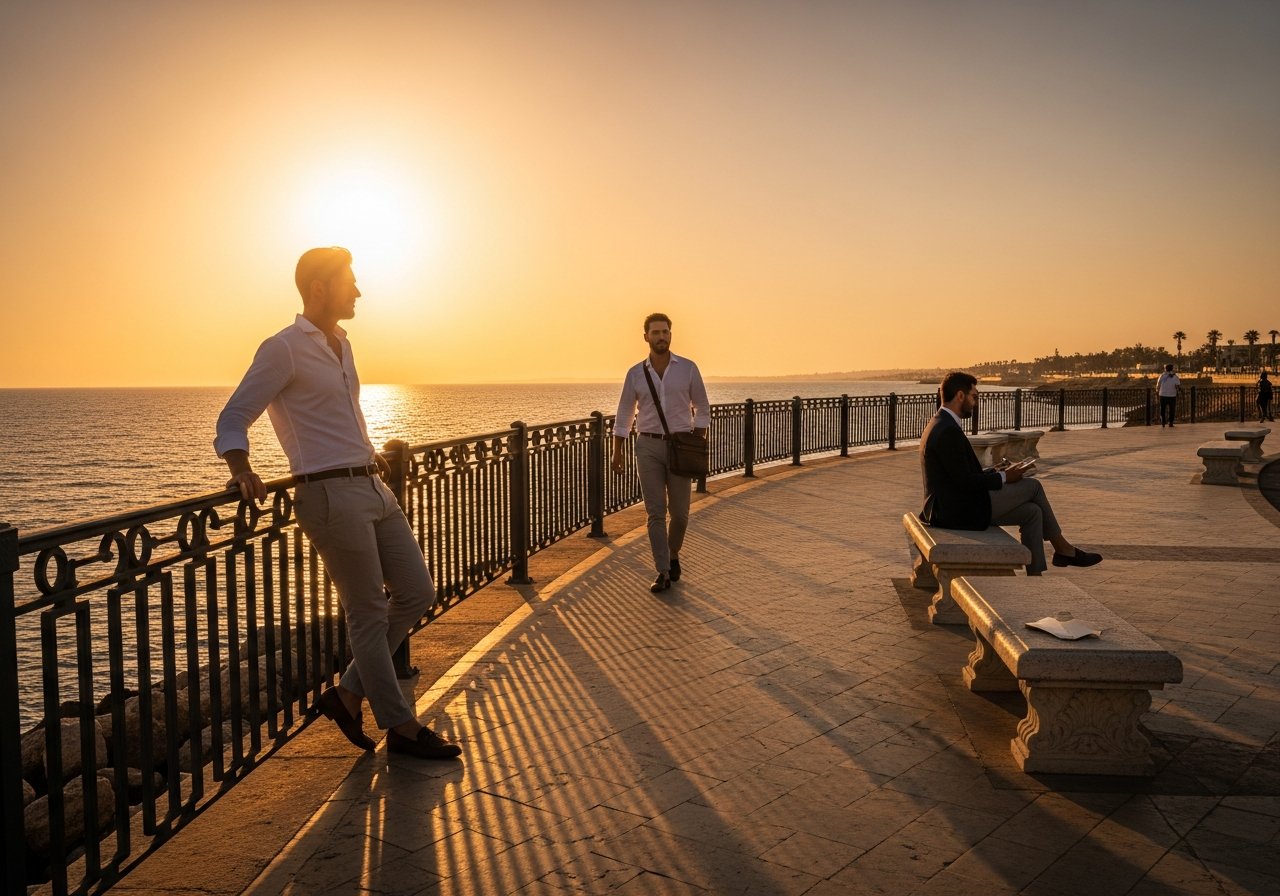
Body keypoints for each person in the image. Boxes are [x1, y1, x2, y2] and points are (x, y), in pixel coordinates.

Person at [214, 247, 460, 760]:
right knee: (368, 612)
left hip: (372, 484)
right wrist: (242, 471)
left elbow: (344, 416)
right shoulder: (281, 348)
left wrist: (372, 458)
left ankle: (347, 694)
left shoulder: (343, 345)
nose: (359, 291)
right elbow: (233, 417)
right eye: (350, 281)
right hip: (327, 493)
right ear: (320, 287)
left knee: (416, 590)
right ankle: (402, 726)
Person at [920, 371, 1101, 576]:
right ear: (960, 396)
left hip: (952, 505)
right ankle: (1063, 549)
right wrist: (1005, 478)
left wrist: (995, 471)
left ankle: (1036, 577)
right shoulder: (948, 430)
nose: (976, 403)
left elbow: (958, 474)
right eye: (974, 397)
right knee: (1034, 487)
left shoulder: (941, 422)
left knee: (1033, 512)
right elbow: (964, 482)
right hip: (955, 511)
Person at [611, 313, 710, 593]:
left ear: (671, 335)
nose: (661, 337)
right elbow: (624, 413)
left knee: (679, 514)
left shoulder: (688, 368)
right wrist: (617, 451)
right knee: (655, 512)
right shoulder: (635, 373)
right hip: (648, 446)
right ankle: (663, 571)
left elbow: (702, 408)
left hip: (681, 446)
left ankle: (673, 553)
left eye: (665, 332)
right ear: (646, 337)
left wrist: (696, 439)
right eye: (655, 332)